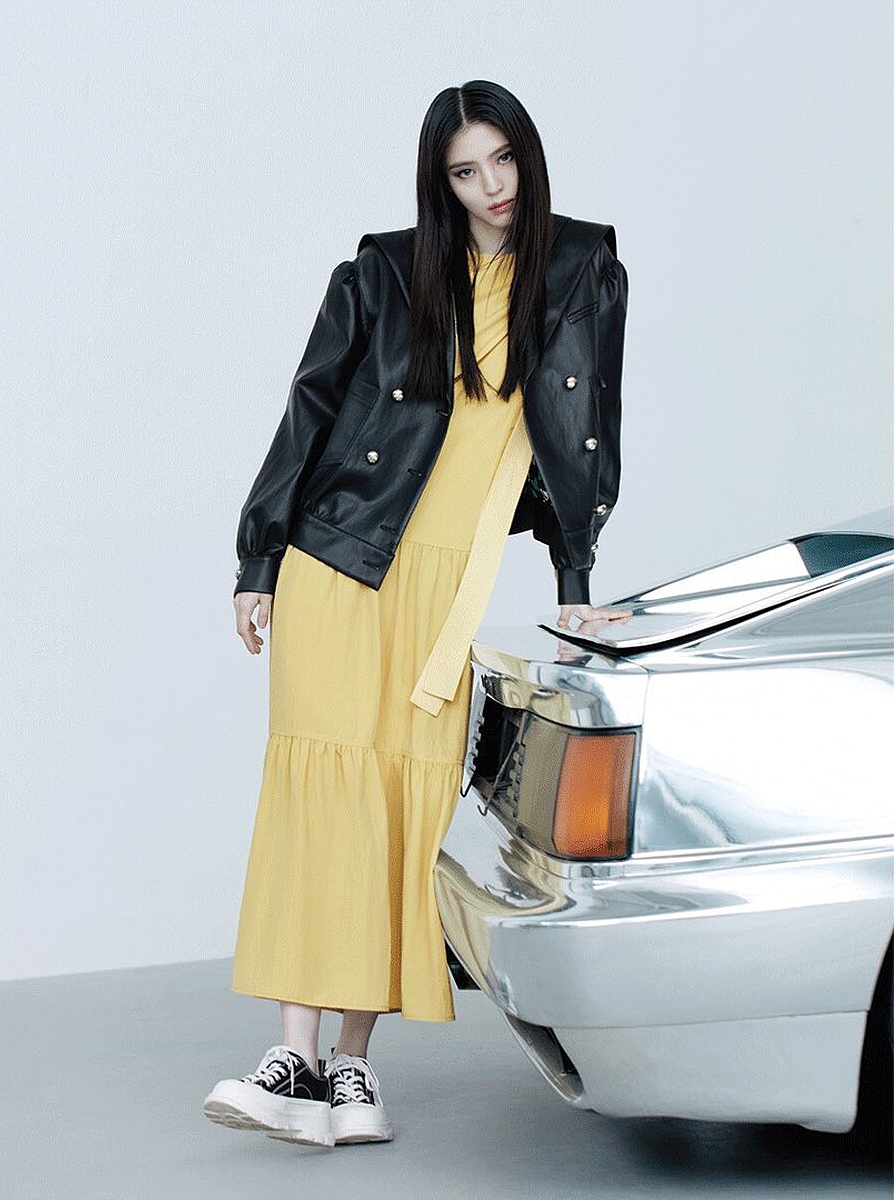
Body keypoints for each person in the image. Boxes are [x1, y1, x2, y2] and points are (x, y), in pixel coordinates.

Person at [203, 80, 630, 1149]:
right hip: (340, 565)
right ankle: (293, 1057)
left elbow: (586, 437)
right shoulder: (384, 273)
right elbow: (308, 407)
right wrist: (259, 557)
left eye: (503, 160)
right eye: (465, 171)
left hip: (449, 586)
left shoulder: (581, 271)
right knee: (322, 802)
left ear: (529, 157)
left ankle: (352, 1068)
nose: (491, 187)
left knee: (400, 811)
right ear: (440, 183)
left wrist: (577, 591)